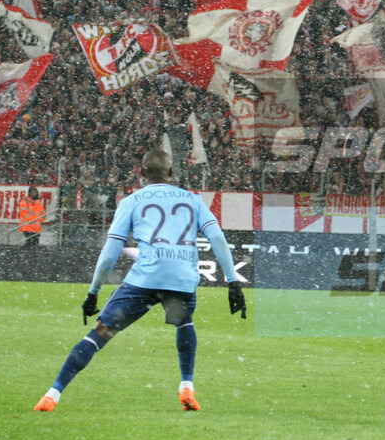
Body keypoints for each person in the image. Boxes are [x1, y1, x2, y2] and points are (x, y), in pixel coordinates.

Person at [34, 150, 247, 413]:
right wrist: (233, 283)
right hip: (181, 278)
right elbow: (218, 239)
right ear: (171, 172)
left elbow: (111, 252)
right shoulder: (193, 200)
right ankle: (187, 385)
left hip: (146, 277)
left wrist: (93, 292)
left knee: (100, 334)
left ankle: (52, 394)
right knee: (184, 322)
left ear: (141, 173)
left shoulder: (132, 201)